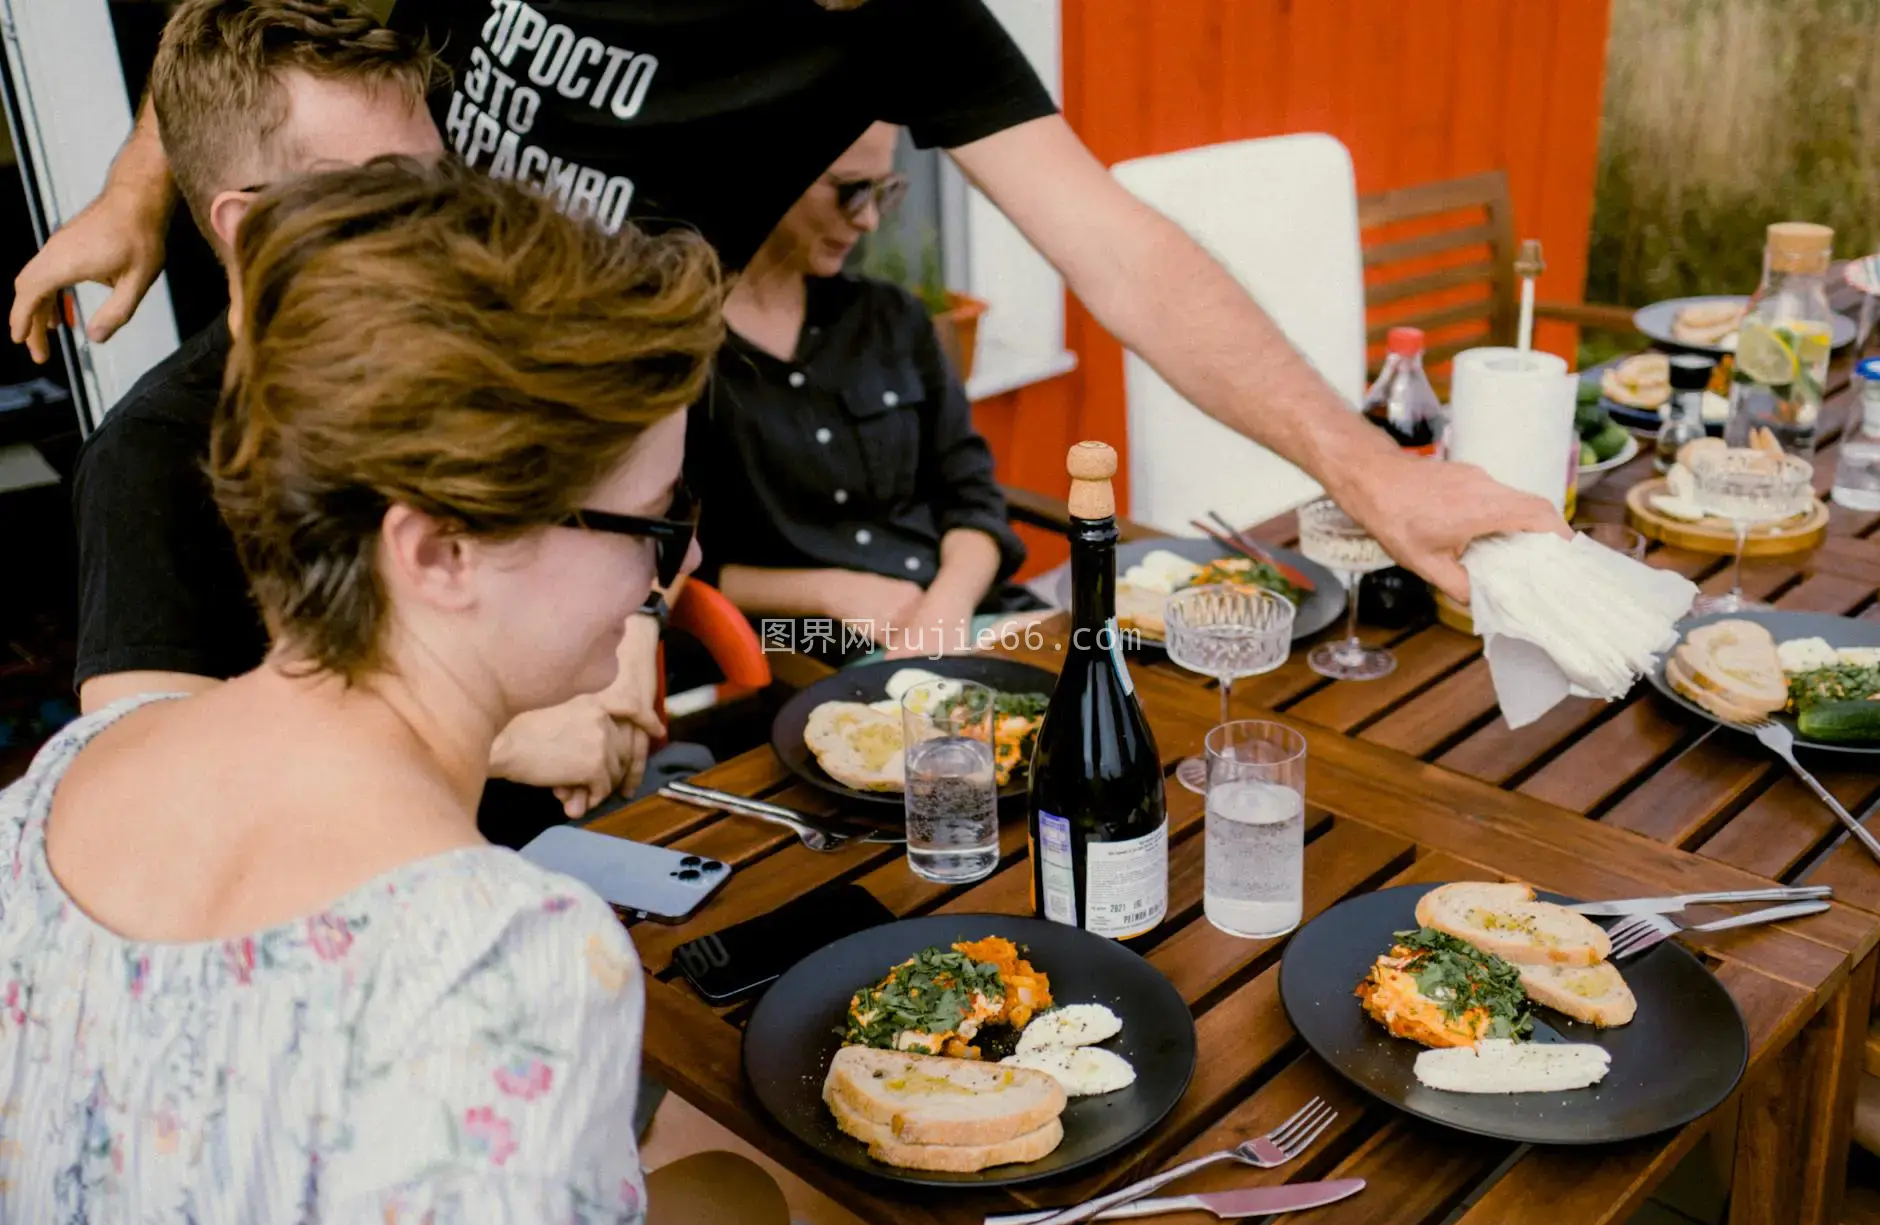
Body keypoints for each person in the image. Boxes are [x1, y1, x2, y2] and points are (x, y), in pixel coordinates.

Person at [14, 0, 1568, 608]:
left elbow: (1119, 247)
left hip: (555, 473)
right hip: (333, 408)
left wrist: (1366, 466)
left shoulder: (905, 22)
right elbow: (261, 14)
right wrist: (136, 185)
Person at [0, 156, 799, 1225]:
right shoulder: (500, 960)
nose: (681, 561)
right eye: (653, 526)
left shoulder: (62, 775)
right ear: (439, 549)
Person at [63, 0, 664, 834]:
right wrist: (491, 735)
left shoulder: (468, 352)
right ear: (250, 224)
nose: (442, 230)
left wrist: (637, 612)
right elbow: (145, 793)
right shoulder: (151, 455)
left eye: (440, 183)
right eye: (385, 195)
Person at [689, 121, 1050, 665]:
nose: (868, 219)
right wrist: (832, 592)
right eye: (851, 190)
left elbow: (972, 496)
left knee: (1116, 685)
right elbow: (674, 561)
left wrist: (945, 610)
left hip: (962, 611)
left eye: (883, 191)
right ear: (770, 172)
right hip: (802, 645)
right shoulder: (684, 352)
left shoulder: (893, 319)